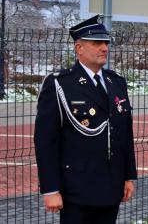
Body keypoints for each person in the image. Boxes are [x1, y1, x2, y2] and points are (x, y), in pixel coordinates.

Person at [34, 15, 137, 224]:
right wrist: (50, 188)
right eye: (97, 43)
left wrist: (129, 175)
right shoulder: (60, 84)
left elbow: (125, 133)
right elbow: (46, 141)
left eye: (106, 43)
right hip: (77, 188)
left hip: (111, 184)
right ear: (79, 48)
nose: (104, 48)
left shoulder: (116, 82)